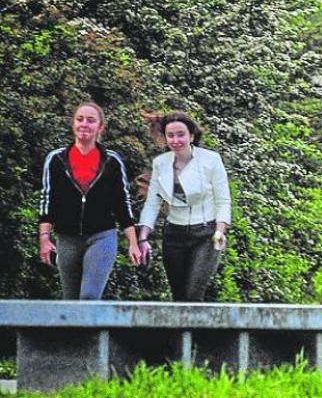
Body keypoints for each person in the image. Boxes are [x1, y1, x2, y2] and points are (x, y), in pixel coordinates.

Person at [38, 102, 142, 299]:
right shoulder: (56, 159)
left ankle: (91, 330)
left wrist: (133, 242)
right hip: (67, 237)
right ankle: (79, 331)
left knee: (88, 297)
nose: (84, 124)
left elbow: (122, 202)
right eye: (80, 119)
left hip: (102, 235)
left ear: (100, 127)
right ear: (73, 124)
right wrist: (44, 237)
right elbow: (47, 199)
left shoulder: (111, 161)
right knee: (70, 298)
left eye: (91, 120)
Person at [136, 112, 232, 302]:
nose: (176, 140)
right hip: (174, 235)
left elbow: (223, 200)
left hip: (205, 234)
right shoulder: (160, 164)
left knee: (193, 294)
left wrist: (220, 230)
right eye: (170, 135)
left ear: (192, 136)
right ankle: (185, 333)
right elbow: (153, 203)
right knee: (179, 297)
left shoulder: (210, 160)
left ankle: (195, 331)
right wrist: (143, 237)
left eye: (181, 134)